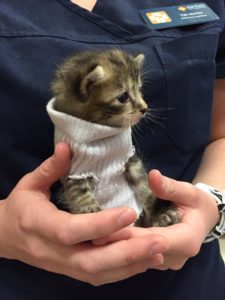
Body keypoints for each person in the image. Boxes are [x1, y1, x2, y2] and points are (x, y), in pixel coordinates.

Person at [0, 0, 225, 299]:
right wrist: (6, 230)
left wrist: (212, 205)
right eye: (124, 98)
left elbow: (220, 132)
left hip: (186, 280)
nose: (144, 107)